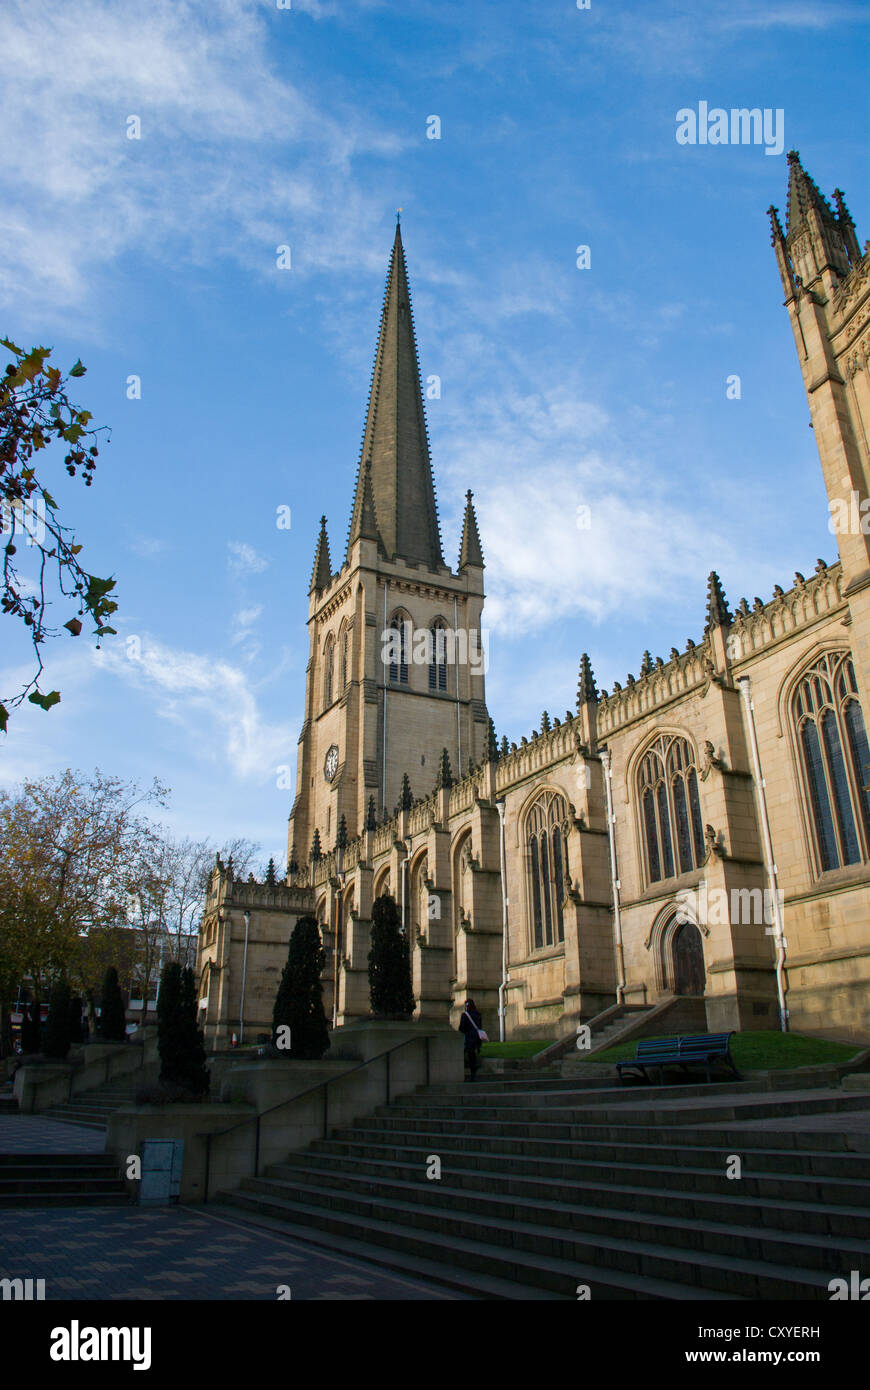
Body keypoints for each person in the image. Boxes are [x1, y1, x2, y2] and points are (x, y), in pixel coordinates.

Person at [459, 998, 485, 1080]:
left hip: (468, 1037)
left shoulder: (465, 1015)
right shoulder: (478, 1014)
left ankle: (472, 1072)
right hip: (476, 1037)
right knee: (472, 1053)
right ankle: (473, 1071)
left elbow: (462, 1028)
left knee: (468, 1054)